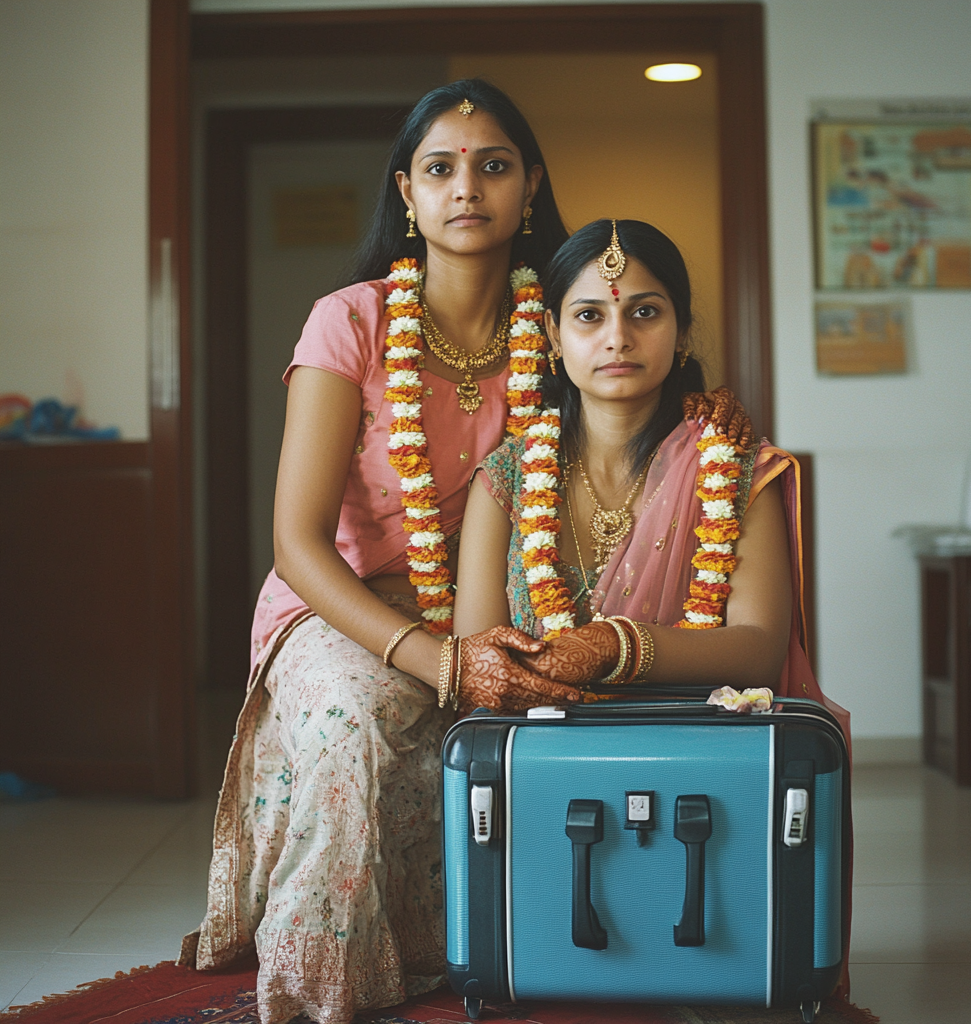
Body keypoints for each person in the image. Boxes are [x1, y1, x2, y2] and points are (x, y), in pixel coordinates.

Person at [181, 80, 586, 1024]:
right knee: (353, 722)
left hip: (502, 602)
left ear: (532, 188)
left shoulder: (566, 325)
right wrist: (439, 660)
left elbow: (644, 383)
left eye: (494, 166)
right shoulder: (351, 320)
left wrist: (708, 412)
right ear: (406, 193)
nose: (467, 189)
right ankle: (320, 993)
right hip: (343, 604)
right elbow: (296, 542)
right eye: (440, 169)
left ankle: (523, 940)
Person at [454, 217, 851, 994]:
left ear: (681, 329)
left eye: (646, 311)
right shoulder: (505, 475)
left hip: (702, 752)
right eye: (590, 315)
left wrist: (615, 647)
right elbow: (478, 651)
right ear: (553, 335)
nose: (618, 337)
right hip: (544, 754)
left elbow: (758, 649)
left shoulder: (737, 470)